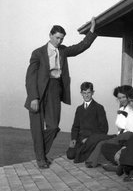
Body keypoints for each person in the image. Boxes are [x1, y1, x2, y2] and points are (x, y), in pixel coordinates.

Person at [24, 17, 97, 169]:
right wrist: (34, 98)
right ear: (50, 35)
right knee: (37, 127)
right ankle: (41, 159)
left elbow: (81, 46)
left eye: (61, 39)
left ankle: (40, 152)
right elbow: (30, 77)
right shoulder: (37, 53)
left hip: (55, 89)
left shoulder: (63, 50)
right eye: (57, 38)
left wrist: (92, 31)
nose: (59, 41)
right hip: (38, 91)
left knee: (53, 126)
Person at [84, 84, 133, 168]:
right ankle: (89, 157)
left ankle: (92, 161)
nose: (121, 100)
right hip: (119, 135)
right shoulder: (121, 109)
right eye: (119, 98)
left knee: (102, 143)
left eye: (124, 97)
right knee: (96, 138)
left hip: (127, 136)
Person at [66, 81, 108, 162]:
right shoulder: (79, 108)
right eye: (84, 93)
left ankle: (90, 153)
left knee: (81, 156)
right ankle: (84, 152)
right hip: (80, 139)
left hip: (92, 140)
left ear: (93, 93)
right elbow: (75, 126)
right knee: (70, 155)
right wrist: (73, 139)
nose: (86, 95)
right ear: (81, 93)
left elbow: (104, 128)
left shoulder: (99, 108)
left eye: (89, 92)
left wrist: (90, 139)